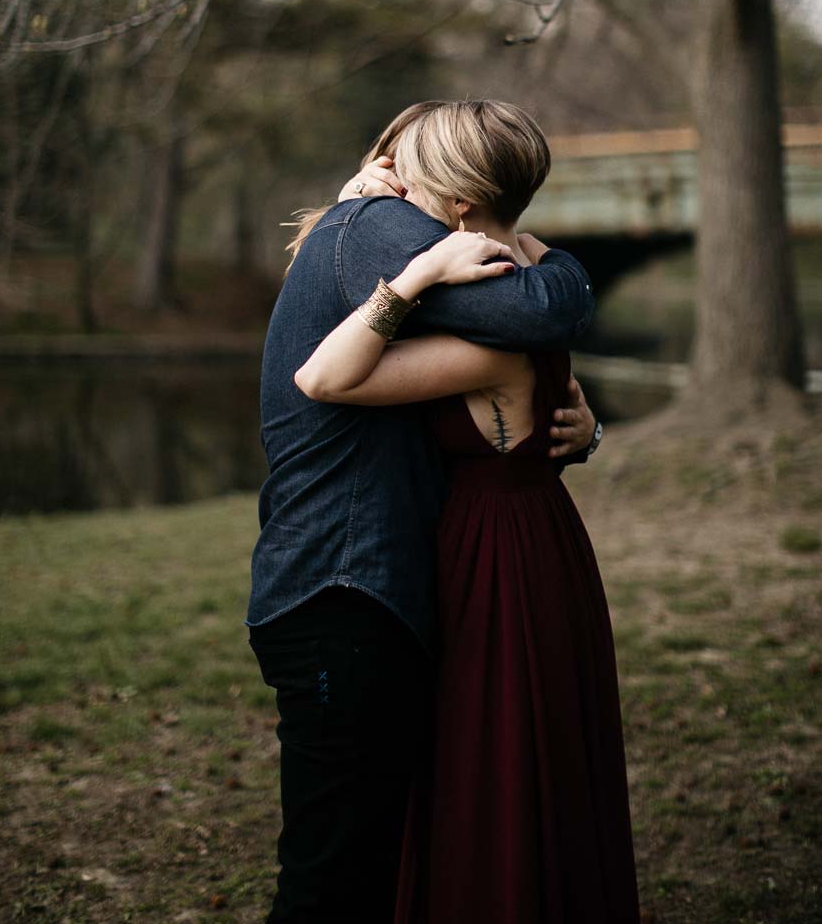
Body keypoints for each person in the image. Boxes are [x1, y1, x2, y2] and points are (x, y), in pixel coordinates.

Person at [245, 99, 600, 923]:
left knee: (370, 854)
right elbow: (329, 378)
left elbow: (528, 337)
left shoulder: (428, 268)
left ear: (461, 204)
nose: (391, 184)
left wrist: (580, 425)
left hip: (439, 576)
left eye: (411, 170)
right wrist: (405, 256)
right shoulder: (385, 235)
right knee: (340, 872)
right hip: (350, 588)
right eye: (389, 164)